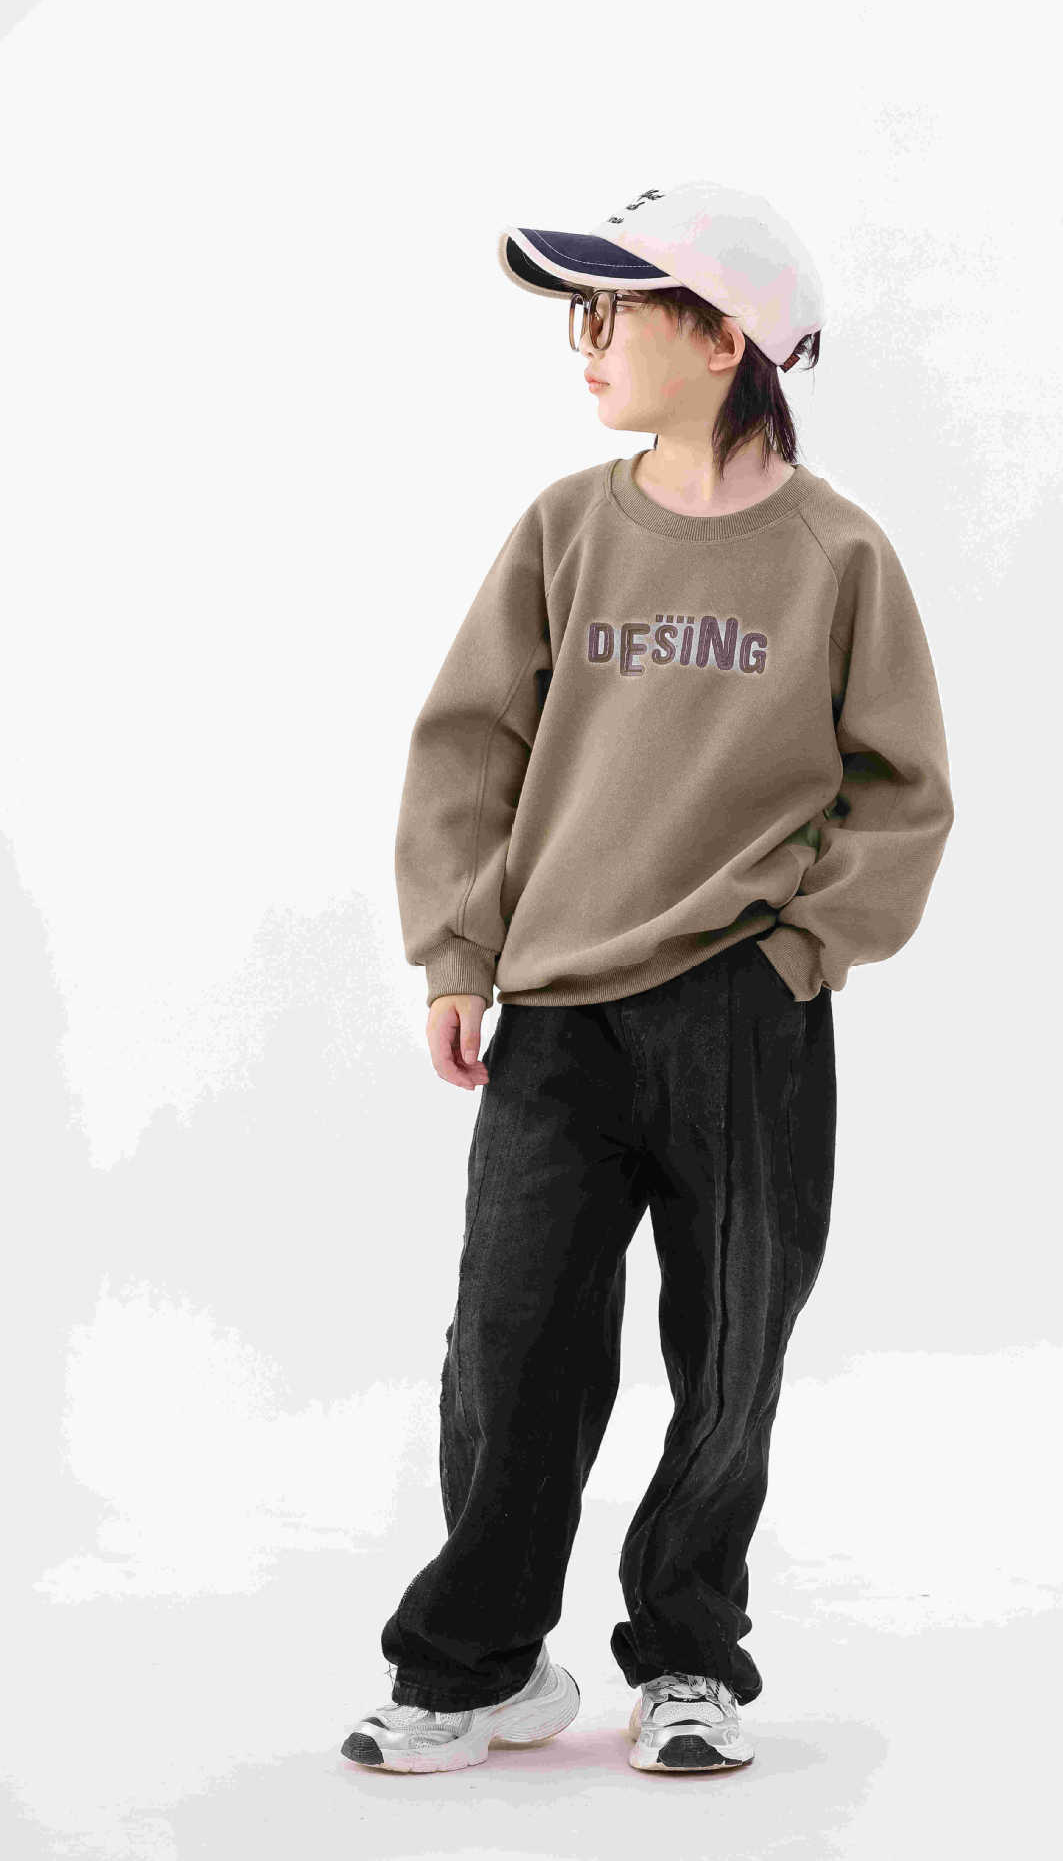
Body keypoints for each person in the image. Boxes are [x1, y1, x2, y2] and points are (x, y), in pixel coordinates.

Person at [340, 179, 955, 1778]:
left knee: (727, 1352)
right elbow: (470, 746)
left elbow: (898, 789)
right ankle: (479, 1665)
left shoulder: (835, 554)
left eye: (614, 312)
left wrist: (801, 950)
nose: (587, 343)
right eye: (581, 314)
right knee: (511, 1342)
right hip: (555, 1009)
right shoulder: (566, 527)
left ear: (723, 337)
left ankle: (687, 1659)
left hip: (746, 1013)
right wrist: (458, 950)